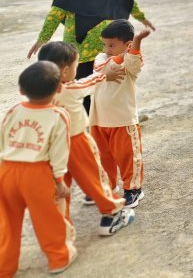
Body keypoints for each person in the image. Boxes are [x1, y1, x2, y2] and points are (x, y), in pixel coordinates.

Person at [27, 0, 155, 111]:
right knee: (84, 90)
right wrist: (43, 38)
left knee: (108, 86)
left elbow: (125, 1)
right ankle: (85, 127)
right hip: (81, 48)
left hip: (106, 49)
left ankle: (107, 122)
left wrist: (142, 18)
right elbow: (57, 11)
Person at [38, 42, 133, 236]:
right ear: (65, 71)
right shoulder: (72, 88)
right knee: (95, 178)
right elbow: (91, 80)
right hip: (77, 142)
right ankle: (112, 214)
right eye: (76, 65)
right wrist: (108, 75)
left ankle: (60, 227)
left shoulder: (38, 94)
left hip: (51, 148)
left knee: (58, 189)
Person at [0, 62, 76, 276]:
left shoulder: (14, 110)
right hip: (37, 173)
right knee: (47, 218)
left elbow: (3, 139)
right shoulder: (58, 115)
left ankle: (4, 267)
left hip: (7, 170)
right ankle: (58, 259)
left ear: (21, 90)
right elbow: (59, 153)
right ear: (58, 88)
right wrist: (60, 181)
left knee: (6, 222)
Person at [89, 20, 149, 208]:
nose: (106, 49)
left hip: (123, 120)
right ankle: (107, 187)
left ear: (127, 44)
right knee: (101, 157)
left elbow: (134, 65)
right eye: (105, 44)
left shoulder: (132, 61)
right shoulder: (100, 57)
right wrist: (119, 55)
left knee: (127, 157)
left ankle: (133, 189)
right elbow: (102, 68)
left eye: (112, 45)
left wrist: (137, 43)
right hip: (99, 120)